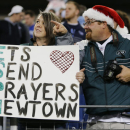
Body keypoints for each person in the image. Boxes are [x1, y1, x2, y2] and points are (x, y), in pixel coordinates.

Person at [76, 5, 130, 129]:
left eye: (89, 22)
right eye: (85, 23)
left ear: (104, 24)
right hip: (94, 122)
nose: (85, 26)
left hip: (125, 121)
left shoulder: (128, 43)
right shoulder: (81, 47)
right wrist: (76, 76)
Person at [18, 11, 73, 130]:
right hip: (26, 118)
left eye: (43, 23)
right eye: (37, 21)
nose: (38, 25)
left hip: (55, 119)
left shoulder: (61, 51)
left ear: (52, 28)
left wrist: (78, 76)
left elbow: (72, 67)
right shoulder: (22, 50)